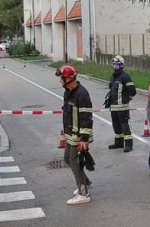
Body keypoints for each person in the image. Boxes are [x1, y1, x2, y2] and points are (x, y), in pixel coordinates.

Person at [56, 64, 94, 205]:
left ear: (70, 78)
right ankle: (84, 181)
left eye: (62, 77)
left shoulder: (81, 94)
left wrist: (84, 139)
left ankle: (83, 193)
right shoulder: (68, 91)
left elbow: (86, 117)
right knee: (67, 158)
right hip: (71, 133)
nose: (60, 80)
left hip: (79, 134)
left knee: (73, 160)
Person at [106, 55, 137, 152]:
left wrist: (128, 96)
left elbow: (133, 91)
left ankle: (128, 144)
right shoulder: (113, 77)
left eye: (117, 65)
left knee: (125, 125)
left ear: (122, 66)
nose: (115, 66)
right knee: (116, 125)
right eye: (114, 64)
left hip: (122, 107)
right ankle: (118, 143)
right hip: (114, 106)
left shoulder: (125, 77)